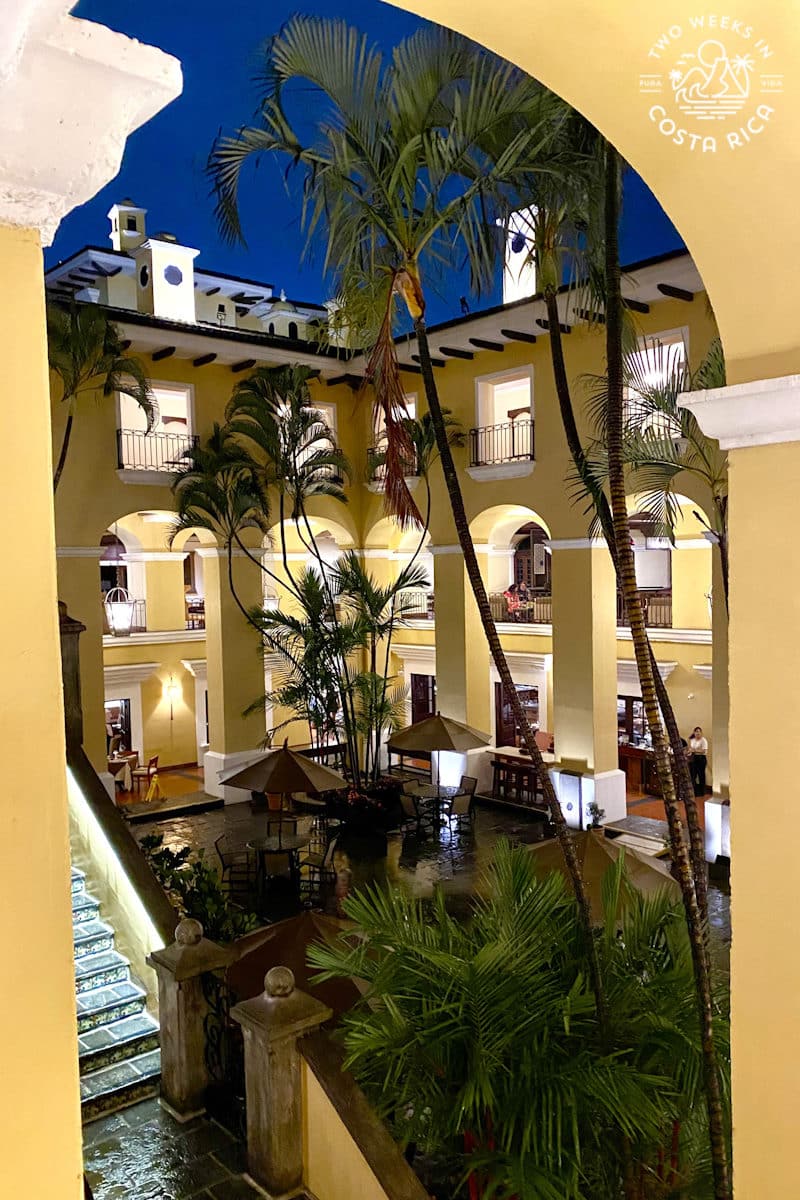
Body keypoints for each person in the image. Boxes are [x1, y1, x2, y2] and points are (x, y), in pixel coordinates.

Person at [688, 726, 709, 797]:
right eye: (696, 732)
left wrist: (695, 750)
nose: (697, 733)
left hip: (701, 759)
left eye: (699, 732)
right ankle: (694, 791)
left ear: (701, 733)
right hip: (694, 758)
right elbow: (691, 749)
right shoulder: (692, 740)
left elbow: (704, 751)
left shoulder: (703, 740)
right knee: (693, 775)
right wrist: (690, 751)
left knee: (701, 775)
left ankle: (702, 792)